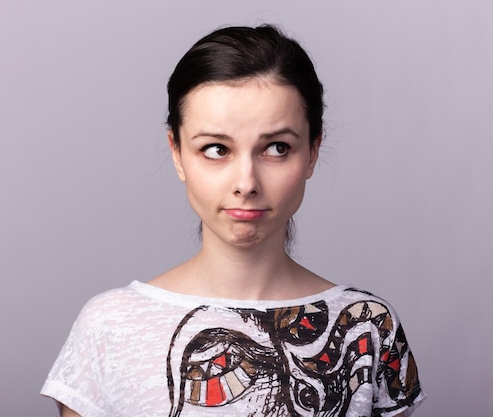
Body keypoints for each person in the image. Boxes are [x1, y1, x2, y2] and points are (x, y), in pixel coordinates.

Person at [41, 24, 426, 417]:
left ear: (312, 150)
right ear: (177, 152)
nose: (246, 183)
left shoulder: (370, 328)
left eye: (277, 148)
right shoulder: (109, 327)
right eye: (216, 149)